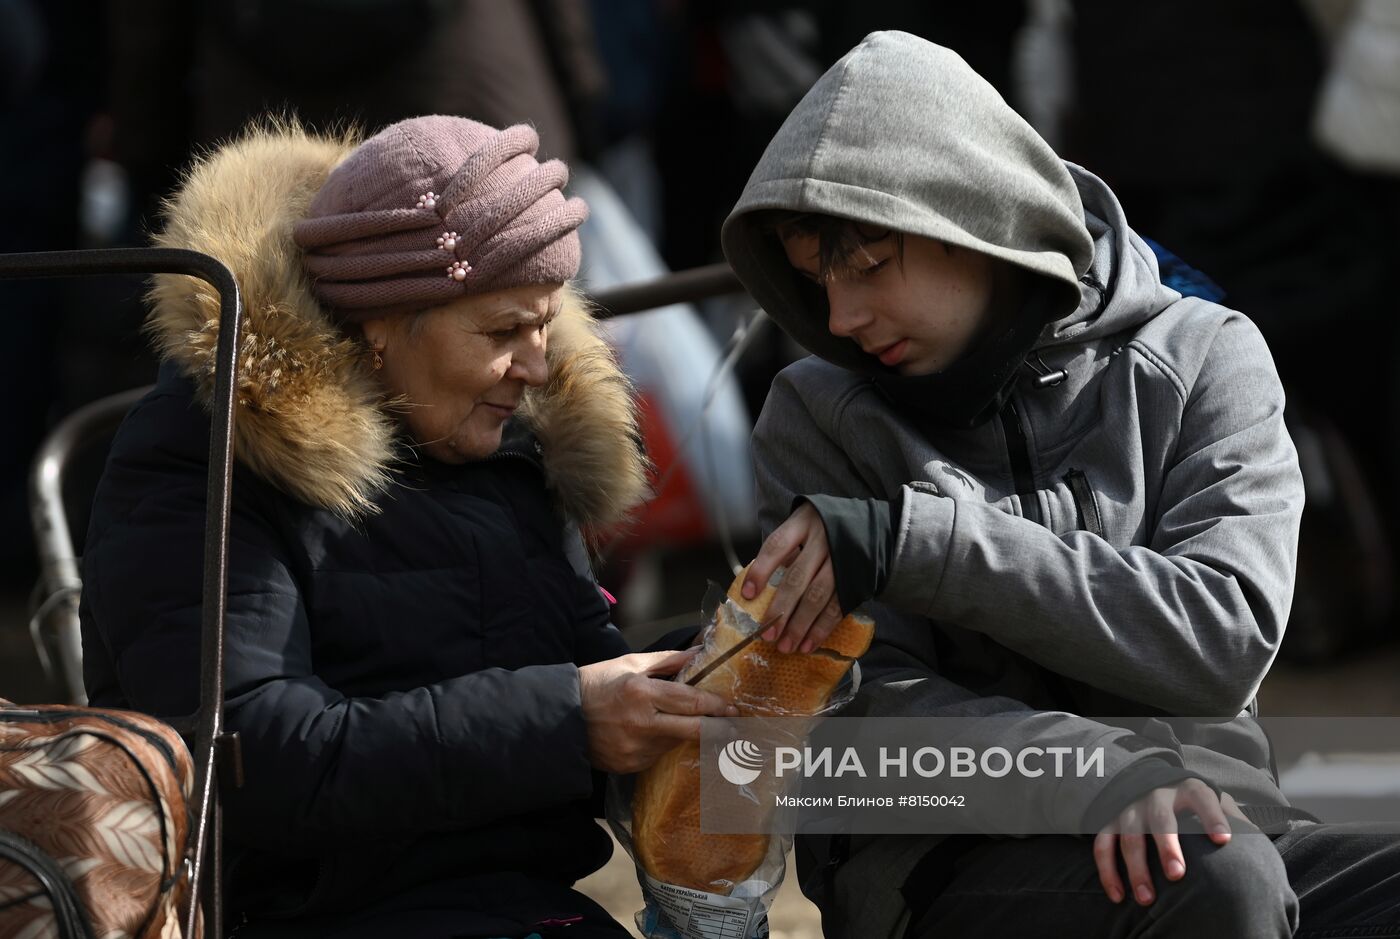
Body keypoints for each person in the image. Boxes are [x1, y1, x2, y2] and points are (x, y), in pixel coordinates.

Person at [720, 31, 1400, 939]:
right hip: (946, 861)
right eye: (815, 281)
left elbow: (1219, 641)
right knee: (1216, 883)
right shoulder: (814, 413)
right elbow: (861, 713)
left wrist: (918, 543)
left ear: (974, 214)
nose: (840, 317)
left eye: (871, 265)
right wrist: (1093, 774)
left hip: (1221, 821)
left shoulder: (1205, 356)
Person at [78, 115, 738, 937]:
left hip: (533, 916)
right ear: (380, 327)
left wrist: (727, 662)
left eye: (543, 324)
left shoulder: (503, 448)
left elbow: (586, 667)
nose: (536, 368)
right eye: (502, 332)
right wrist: (568, 718)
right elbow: (256, 760)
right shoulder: (206, 452)